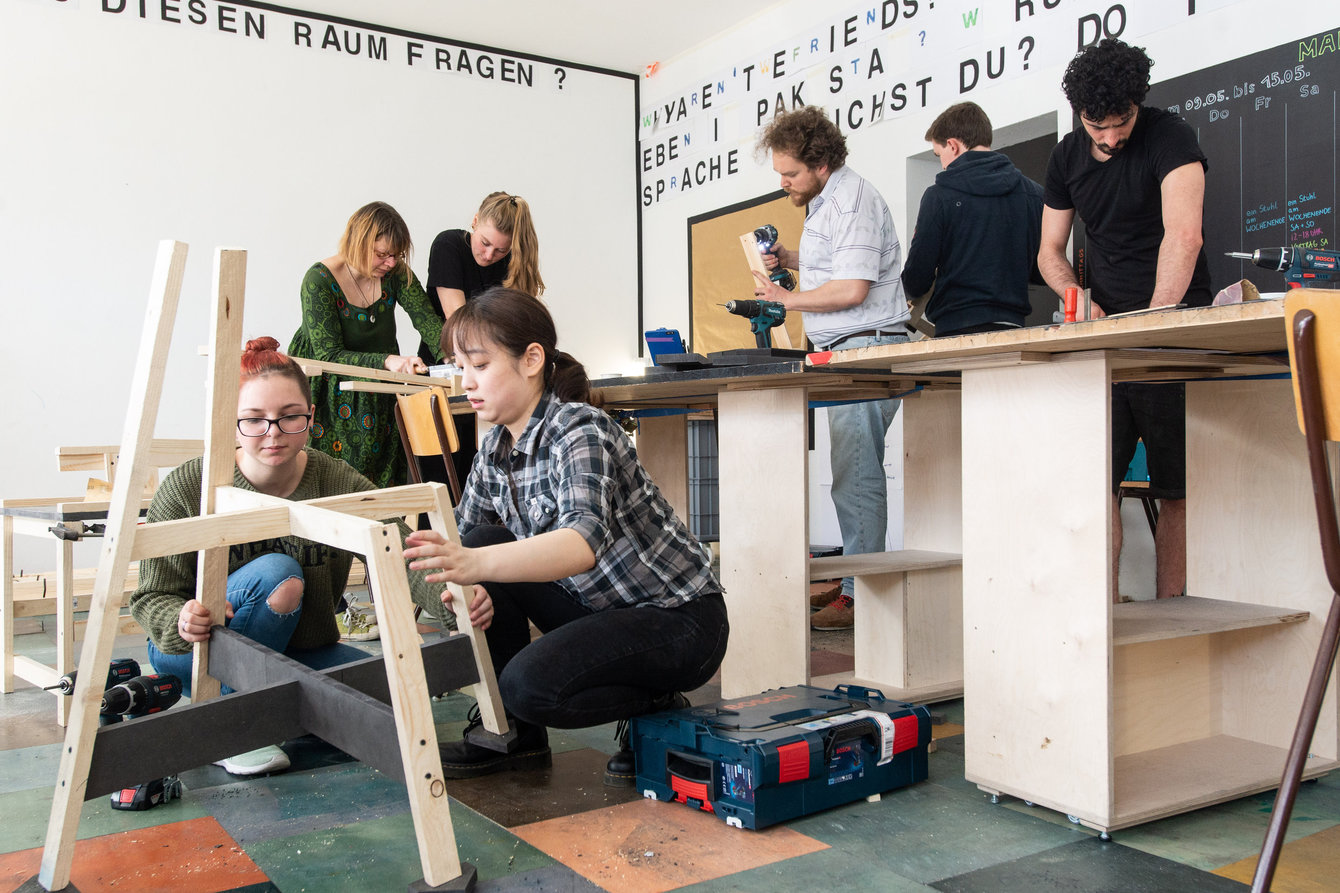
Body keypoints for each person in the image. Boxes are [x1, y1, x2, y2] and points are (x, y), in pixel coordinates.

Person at [402, 287, 728, 787]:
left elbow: (580, 544)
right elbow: (466, 549)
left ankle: (657, 709)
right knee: (485, 540)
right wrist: (465, 591)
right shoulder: (493, 450)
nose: (465, 382)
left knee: (528, 684)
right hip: (601, 609)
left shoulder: (581, 429)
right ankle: (515, 737)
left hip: (678, 620)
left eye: (480, 365)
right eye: (459, 367)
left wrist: (475, 567)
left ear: (532, 359)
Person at [129, 337, 453, 775]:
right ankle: (235, 727)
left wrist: (451, 599)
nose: (273, 434)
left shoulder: (334, 479)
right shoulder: (189, 487)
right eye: (254, 420)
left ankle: (280, 711)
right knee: (279, 575)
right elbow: (151, 596)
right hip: (194, 651)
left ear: (311, 416)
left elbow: (396, 547)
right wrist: (182, 618)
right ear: (230, 421)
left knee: (390, 695)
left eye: (289, 418)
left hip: (302, 650)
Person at [1038, 38, 1212, 602]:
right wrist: (1077, 300)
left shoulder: (1169, 136)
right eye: (1097, 127)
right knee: (1097, 484)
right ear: (1078, 114)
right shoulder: (1066, 158)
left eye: (1121, 124)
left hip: (1170, 337)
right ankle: (1104, 614)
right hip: (1106, 340)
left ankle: (1172, 615)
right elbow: (1050, 253)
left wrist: (1155, 324)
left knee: (1176, 487)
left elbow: (1184, 235)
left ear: (1139, 105)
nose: (1111, 138)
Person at [751, 105, 910, 631]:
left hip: (866, 349)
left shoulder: (853, 200)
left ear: (821, 164)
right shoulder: (830, 201)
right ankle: (851, 588)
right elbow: (839, 265)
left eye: (790, 173)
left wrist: (782, 299)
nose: (784, 183)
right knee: (852, 473)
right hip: (847, 350)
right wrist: (792, 260)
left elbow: (852, 288)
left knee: (857, 477)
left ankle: (864, 600)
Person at [288, 201, 446, 491]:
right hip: (329, 388)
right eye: (382, 254)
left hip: (378, 386)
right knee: (336, 481)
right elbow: (329, 355)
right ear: (358, 243)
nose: (390, 263)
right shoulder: (319, 281)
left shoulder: (395, 273)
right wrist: (388, 361)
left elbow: (429, 323)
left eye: (395, 256)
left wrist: (454, 359)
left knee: (385, 477)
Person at [419, 192, 545, 488]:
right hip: (441, 374)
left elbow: (519, 327)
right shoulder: (449, 246)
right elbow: (460, 325)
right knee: (440, 476)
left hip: (487, 377)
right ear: (474, 222)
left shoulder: (514, 263)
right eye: (485, 243)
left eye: (501, 251)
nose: (489, 256)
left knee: (478, 471)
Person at [901, 101, 1044, 337]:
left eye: (939, 155)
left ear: (953, 145)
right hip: (1013, 328)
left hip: (955, 329)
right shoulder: (1034, 194)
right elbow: (1040, 270)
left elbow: (918, 278)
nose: (942, 164)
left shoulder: (939, 196)